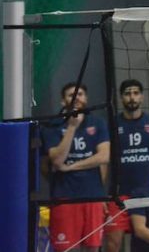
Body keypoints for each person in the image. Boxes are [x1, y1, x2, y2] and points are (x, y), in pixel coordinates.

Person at [40, 82, 110, 252]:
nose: (76, 98)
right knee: (66, 248)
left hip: (92, 196)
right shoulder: (52, 125)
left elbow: (104, 156)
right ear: (63, 101)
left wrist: (71, 167)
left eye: (80, 94)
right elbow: (57, 160)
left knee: (93, 247)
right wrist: (72, 127)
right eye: (71, 95)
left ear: (86, 98)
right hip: (65, 196)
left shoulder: (97, 122)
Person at [104, 79, 149, 252]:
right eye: (127, 93)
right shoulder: (112, 125)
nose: (132, 97)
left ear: (142, 97)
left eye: (135, 93)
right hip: (120, 194)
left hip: (146, 193)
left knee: (146, 241)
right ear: (121, 98)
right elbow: (105, 160)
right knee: (113, 243)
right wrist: (104, 193)